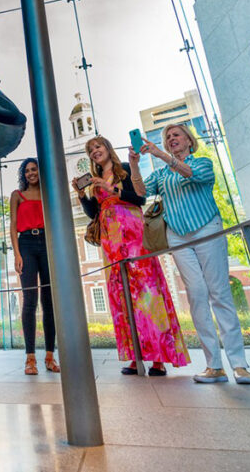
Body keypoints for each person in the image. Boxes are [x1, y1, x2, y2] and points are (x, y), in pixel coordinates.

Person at [132, 124, 250, 385]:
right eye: (168, 137)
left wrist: (161, 155)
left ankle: (240, 364)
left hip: (206, 228)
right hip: (178, 235)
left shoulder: (202, 163)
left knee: (219, 292)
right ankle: (214, 365)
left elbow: (192, 175)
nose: (171, 139)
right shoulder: (162, 174)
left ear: (189, 140)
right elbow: (141, 192)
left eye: (176, 135)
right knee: (197, 295)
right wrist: (134, 165)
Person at [74, 136, 190, 376]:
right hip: (110, 238)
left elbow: (140, 198)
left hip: (134, 233)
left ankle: (159, 357)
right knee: (121, 295)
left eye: (98, 146)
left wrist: (109, 187)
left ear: (107, 147)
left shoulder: (125, 170)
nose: (95, 151)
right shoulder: (94, 183)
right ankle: (134, 355)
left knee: (147, 292)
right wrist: (82, 195)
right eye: (90, 150)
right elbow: (94, 213)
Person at [9, 158, 59, 375]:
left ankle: (50, 356)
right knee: (30, 301)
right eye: (27, 170)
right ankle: (30, 358)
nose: (31, 173)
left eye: (34, 169)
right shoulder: (17, 195)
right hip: (26, 244)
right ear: (24, 174)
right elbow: (12, 226)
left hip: (47, 244)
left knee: (49, 302)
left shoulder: (49, 194)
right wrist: (17, 254)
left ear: (40, 171)